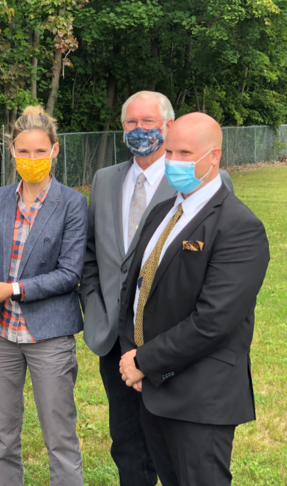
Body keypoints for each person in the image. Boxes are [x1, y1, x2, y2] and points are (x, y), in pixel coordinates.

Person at [78, 91, 234, 486]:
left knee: (180, 450)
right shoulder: (105, 180)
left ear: (168, 125)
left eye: (148, 122)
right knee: (128, 443)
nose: (139, 130)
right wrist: (98, 310)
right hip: (117, 340)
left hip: (175, 343)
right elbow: (93, 255)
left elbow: (214, 263)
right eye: (131, 122)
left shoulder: (201, 183)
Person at [118, 112, 270, 486]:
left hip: (200, 399)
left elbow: (213, 321)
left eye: (186, 153)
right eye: (169, 151)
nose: (174, 161)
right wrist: (134, 358)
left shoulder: (238, 226)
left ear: (213, 157)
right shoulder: (161, 213)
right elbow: (135, 290)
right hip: (152, 388)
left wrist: (144, 360)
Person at [0, 106, 87, 486]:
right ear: (12, 152)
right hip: (0, 336)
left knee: (60, 439)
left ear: (55, 151)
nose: (31, 159)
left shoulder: (72, 203)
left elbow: (70, 274)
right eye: (24, 151)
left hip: (48, 335)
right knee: (2, 438)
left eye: (40, 151)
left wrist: (15, 289)